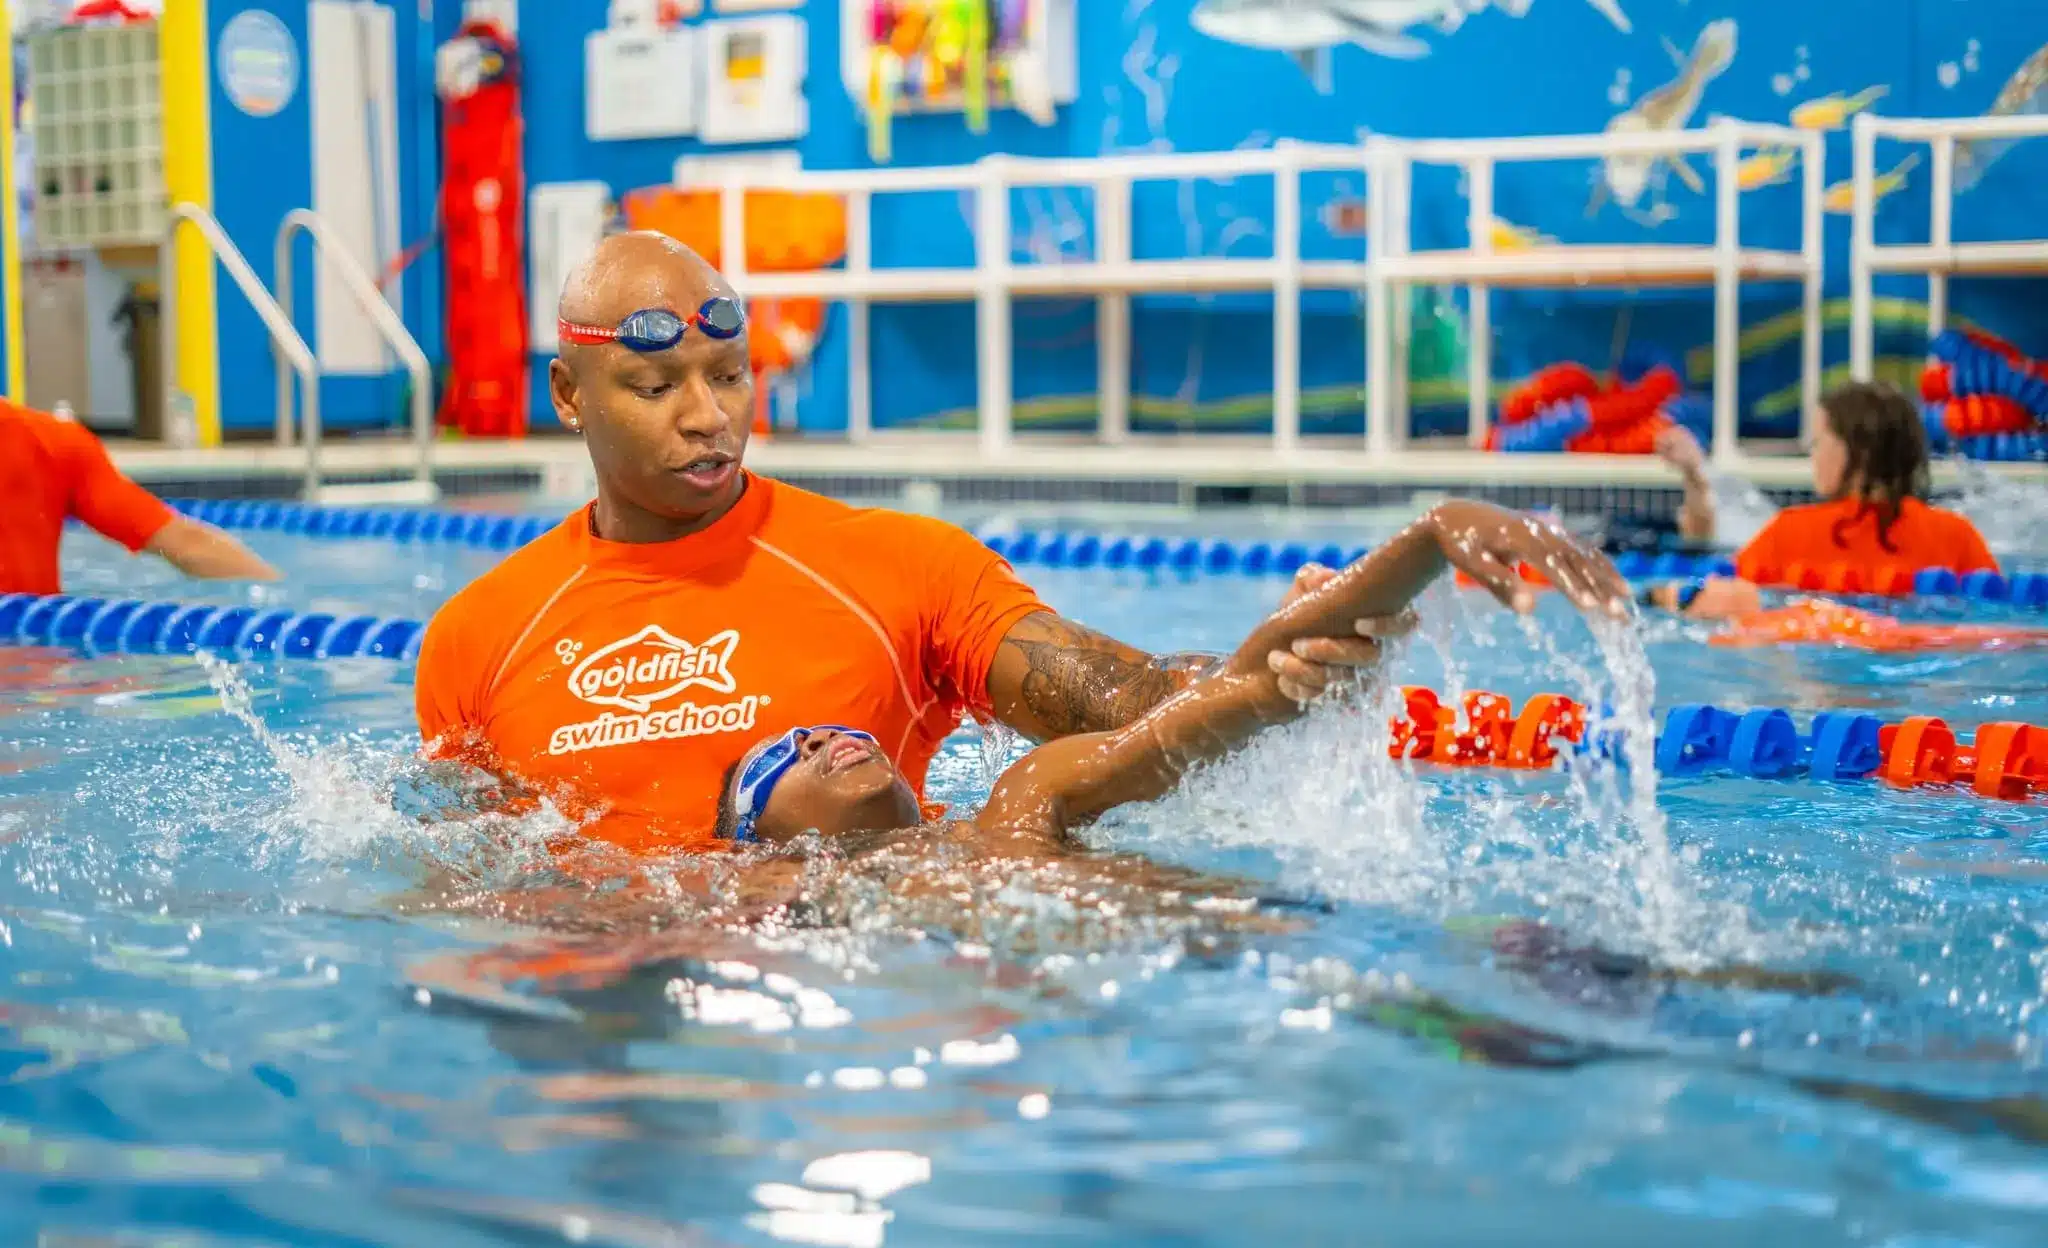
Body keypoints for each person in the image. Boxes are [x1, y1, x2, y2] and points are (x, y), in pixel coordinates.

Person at [415, 231, 1632, 853]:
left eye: (728, 374)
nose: (706, 413)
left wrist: (1335, 631)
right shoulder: (476, 640)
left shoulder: (898, 569)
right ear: (567, 395)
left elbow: (1146, 707)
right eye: (654, 383)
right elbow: (458, 897)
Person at [714, 497, 1629, 865]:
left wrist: (1430, 538)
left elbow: (1243, 687)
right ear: (756, 842)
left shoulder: (1025, 799)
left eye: (822, 728)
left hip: (1265, 965)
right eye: (780, 755)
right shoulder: (759, 916)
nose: (822, 735)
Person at [1645, 381, 1998, 618]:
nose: (1812, 456)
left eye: (1817, 443)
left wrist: (1658, 597)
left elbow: (1707, 594)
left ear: (1854, 450)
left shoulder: (1793, 532)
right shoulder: (1957, 535)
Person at [1, 397, 278, 595]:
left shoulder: (55, 444)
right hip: (42, 665)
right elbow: (186, 543)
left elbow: (185, 543)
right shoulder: (52, 440)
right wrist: (274, 594)